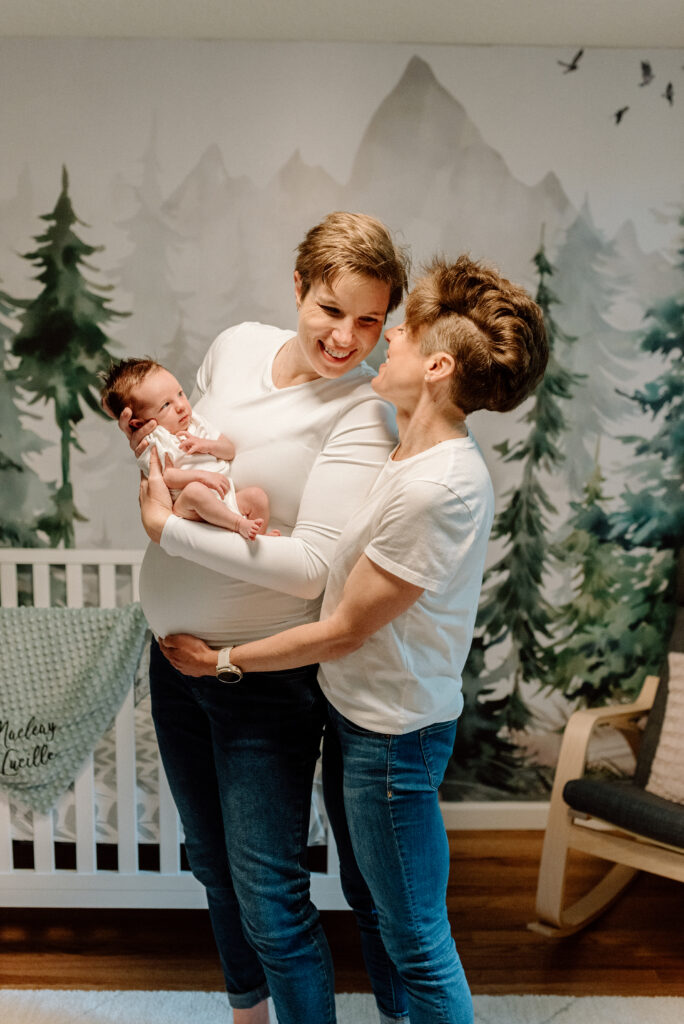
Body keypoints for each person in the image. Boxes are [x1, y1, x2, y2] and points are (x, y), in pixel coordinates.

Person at [151, 255, 549, 1024]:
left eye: (396, 328)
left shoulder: (437, 487)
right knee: (380, 911)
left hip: (392, 740)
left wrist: (220, 660)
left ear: (435, 366)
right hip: (358, 717)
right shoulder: (408, 452)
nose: (382, 338)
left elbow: (337, 629)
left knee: (417, 937)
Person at [120, 212, 410, 1024]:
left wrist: (168, 531)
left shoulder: (362, 411)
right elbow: (186, 444)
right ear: (297, 288)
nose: (347, 338)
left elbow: (313, 564)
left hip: (260, 674)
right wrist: (151, 452)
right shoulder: (235, 345)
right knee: (211, 866)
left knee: (270, 892)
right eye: (330, 310)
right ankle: (248, 1014)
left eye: (369, 320)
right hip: (173, 663)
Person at [102, 358, 270, 540]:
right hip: (190, 508)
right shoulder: (155, 438)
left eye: (180, 394)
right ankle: (238, 524)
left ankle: (258, 540)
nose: (181, 406)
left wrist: (206, 445)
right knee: (195, 491)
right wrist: (203, 476)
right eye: (166, 405)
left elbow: (229, 450)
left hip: (224, 498)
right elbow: (168, 476)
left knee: (257, 496)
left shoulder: (196, 423)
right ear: (139, 423)